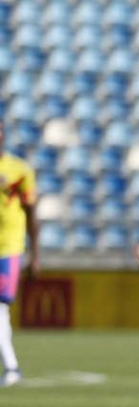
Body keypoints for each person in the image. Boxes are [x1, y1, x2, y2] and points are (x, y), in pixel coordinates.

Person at [0, 121, 39, 387]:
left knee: (0, 307)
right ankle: (11, 366)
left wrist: (35, 254)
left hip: (8, 248)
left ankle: (12, 366)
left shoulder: (19, 170)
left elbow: (32, 213)